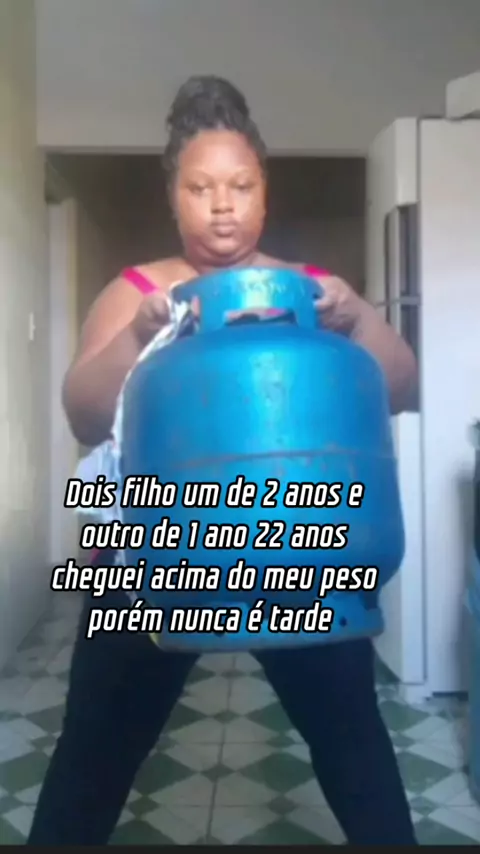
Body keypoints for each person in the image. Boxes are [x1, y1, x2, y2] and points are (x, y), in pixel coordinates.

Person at [28, 76, 418, 846]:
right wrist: (140, 335)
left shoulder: (311, 294)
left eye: (240, 185)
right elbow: (82, 413)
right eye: (200, 187)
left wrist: (359, 317)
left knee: (351, 740)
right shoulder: (137, 292)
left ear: (264, 192)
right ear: (173, 197)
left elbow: (401, 387)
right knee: (95, 753)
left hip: (298, 547)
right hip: (150, 557)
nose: (222, 205)